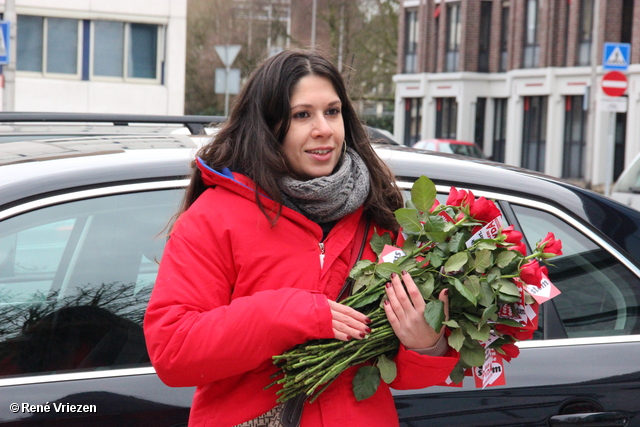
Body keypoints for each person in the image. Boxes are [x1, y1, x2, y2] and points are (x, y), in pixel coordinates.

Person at [144, 49, 459, 427]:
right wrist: (294, 314)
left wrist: (426, 344)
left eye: (332, 111)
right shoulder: (214, 217)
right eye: (302, 115)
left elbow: (396, 374)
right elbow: (174, 352)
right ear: (268, 125)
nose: (323, 128)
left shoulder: (379, 215)